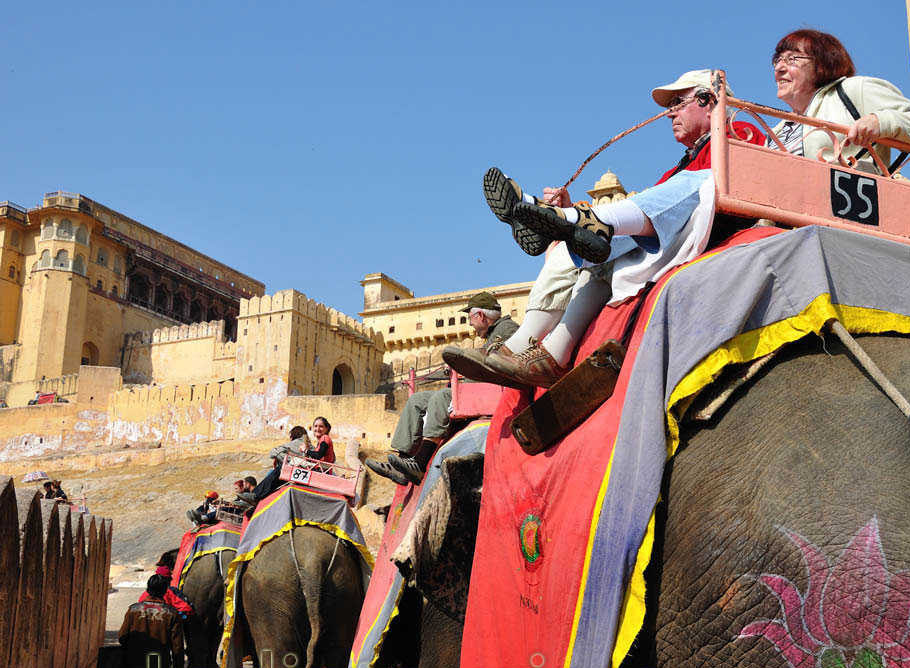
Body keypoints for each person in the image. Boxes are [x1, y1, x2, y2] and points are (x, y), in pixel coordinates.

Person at [446, 68, 765, 388]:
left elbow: (691, 198)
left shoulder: (740, 135)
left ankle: (566, 219)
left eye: (678, 103)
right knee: (573, 256)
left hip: (702, 228)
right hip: (664, 236)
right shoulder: (679, 166)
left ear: (708, 100)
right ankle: (525, 347)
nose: (670, 115)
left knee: (694, 183)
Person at [365, 291, 518, 485]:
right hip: (476, 386)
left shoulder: (506, 329)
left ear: (480, 315)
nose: (469, 323)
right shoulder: (495, 333)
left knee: (441, 398)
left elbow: (494, 364)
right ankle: (402, 461)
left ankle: (419, 464)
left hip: (490, 389)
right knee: (416, 401)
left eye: (470, 317)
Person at [765, 28, 910, 171]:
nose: (779, 67)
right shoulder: (777, 130)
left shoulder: (852, 89)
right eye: (778, 60)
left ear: (822, 66)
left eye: (791, 59)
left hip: (842, 214)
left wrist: (881, 121)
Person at [238, 417, 335, 507]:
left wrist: (305, 450)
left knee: (280, 470)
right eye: (315, 426)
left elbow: (319, 455)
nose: (317, 429)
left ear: (327, 428)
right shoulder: (319, 443)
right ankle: (255, 498)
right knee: (280, 475)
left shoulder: (325, 438)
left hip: (319, 473)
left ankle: (255, 496)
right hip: (319, 471)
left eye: (321, 426)